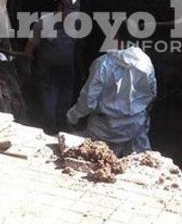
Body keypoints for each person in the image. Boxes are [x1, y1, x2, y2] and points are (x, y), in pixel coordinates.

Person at [66, 26, 157, 157]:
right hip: (135, 128)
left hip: (103, 129)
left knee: (97, 161)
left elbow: (88, 100)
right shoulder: (146, 61)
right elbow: (152, 93)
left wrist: (72, 116)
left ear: (116, 37)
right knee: (138, 163)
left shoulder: (103, 63)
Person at [24, 0, 80, 135]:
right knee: (49, 104)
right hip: (48, 71)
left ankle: (62, 128)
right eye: (70, 11)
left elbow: (76, 47)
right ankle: (49, 129)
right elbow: (30, 47)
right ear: (60, 7)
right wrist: (26, 68)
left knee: (65, 102)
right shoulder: (44, 22)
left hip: (67, 71)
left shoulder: (76, 24)